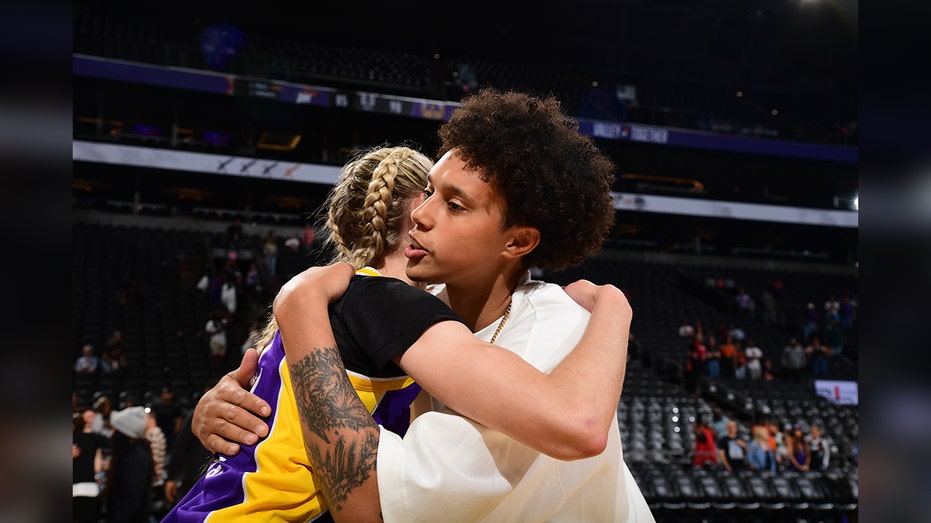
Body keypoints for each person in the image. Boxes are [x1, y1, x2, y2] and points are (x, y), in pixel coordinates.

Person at [192, 90, 654, 522]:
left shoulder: (543, 336)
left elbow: (366, 503)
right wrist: (226, 409)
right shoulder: (429, 307)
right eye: (430, 191)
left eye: (455, 205)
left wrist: (300, 304)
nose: (421, 213)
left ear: (517, 241)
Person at [104, 406, 153, 522]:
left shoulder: (136, 458)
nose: (111, 434)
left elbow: (132, 500)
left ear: (124, 433)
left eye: (114, 429)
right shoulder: (129, 453)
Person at [73, 409, 108, 523]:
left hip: (90, 487)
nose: (90, 420)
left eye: (93, 417)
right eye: (87, 417)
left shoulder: (97, 438)